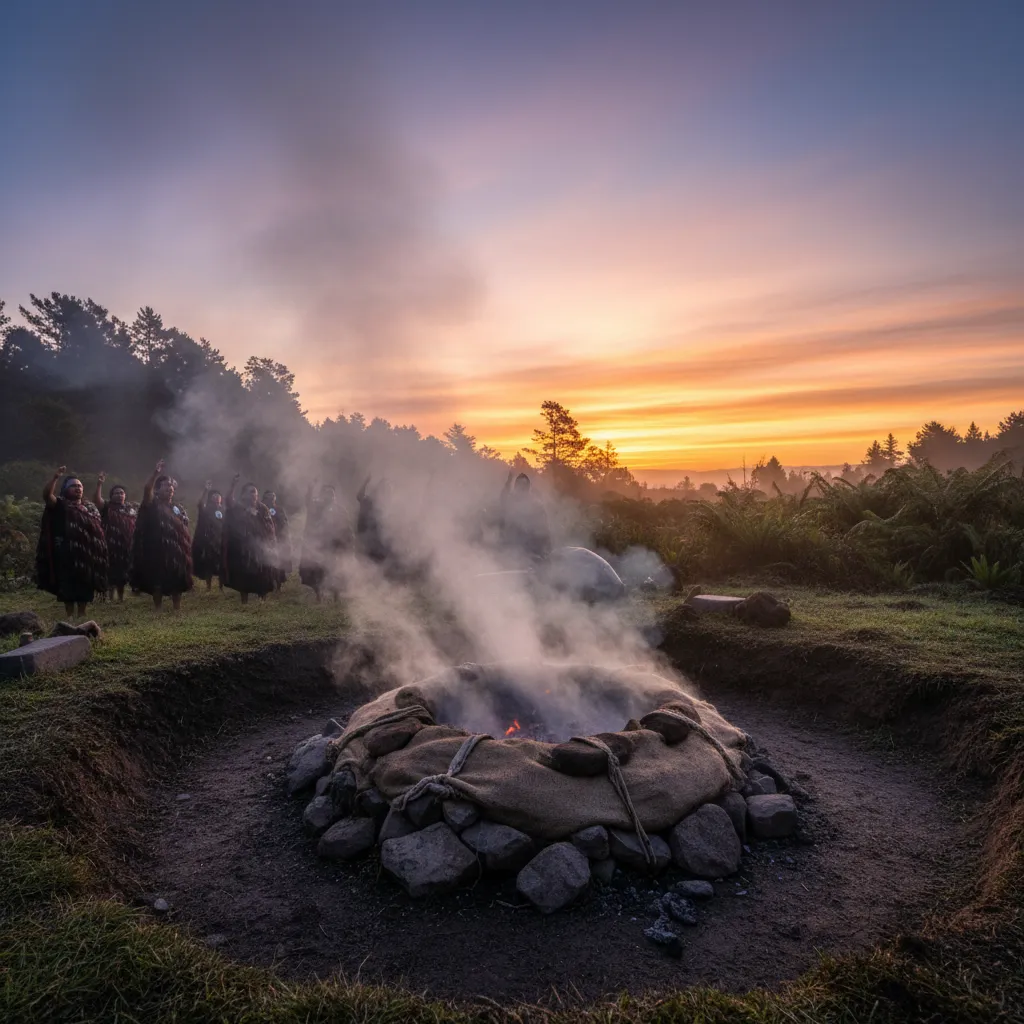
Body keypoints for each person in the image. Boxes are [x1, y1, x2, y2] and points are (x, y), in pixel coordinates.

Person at [36, 465, 108, 619]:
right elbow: (47, 496)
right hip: (66, 553)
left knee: (85, 584)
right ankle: (69, 616)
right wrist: (55, 477)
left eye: (80, 486)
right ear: (65, 489)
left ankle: (82, 614)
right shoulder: (60, 504)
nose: (78, 488)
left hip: (87, 554)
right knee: (68, 585)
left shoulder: (89, 508)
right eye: (74, 486)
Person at [131, 459, 192, 610]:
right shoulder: (152, 503)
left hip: (177, 549)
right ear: (157, 489)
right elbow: (147, 489)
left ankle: (176, 607)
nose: (169, 488)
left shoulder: (178, 508)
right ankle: (158, 608)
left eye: (171, 486)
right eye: (165, 486)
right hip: (156, 547)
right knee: (157, 579)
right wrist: (155, 474)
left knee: (177, 578)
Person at [222, 475, 277, 603]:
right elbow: (229, 501)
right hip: (243, 548)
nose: (254, 495)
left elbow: (270, 527)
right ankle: (244, 602)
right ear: (244, 495)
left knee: (263, 575)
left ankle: (262, 600)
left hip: (262, 547)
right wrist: (233, 485)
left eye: (255, 493)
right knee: (244, 576)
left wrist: (271, 542)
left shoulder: (263, 508)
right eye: (251, 492)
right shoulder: (238, 507)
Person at [299, 481, 351, 602]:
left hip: (334, 545)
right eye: (326, 494)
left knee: (336, 571)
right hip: (318, 544)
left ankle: (336, 596)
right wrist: (310, 488)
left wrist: (346, 543)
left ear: (335, 496)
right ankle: (319, 595)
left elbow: (346, 527)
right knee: (318, 572)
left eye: (331, 494)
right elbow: (308, 501)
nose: (329, 496)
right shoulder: (316, 507)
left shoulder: (340, 510)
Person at [93, 471, 137, 602]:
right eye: (116, 493)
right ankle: (110, 597)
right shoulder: (107, 507)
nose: (119, 495)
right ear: (111, 496)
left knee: (123, 572)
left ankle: (121, 597)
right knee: (110, 571)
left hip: (126, 546)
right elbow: (97, 501)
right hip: (109, 545)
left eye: (121, 493)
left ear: (125, 495)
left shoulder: (130, 508)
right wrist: (99, 484)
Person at [498, 471, 552, 564]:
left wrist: (545, 551)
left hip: (532, 551)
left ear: (528, 488)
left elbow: (544, 530)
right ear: (516, 487)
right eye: (519, 485)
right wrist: (508, 483)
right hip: (510, 549)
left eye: (524, 486)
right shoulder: (511, 502)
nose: (522, 488)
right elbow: (503, 500)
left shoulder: (536, 506)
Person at [192, 482, 225, 590]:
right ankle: (209, 586)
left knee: (222, 565)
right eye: (214, 496)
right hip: (209, 540)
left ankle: (221, 586)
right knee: (209, 565)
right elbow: (200, 504)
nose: (216, 497)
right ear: (210, 498)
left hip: (221, 540)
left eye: (218, 496)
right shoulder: (206, 509)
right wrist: (205, 490)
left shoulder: (223, 510)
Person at [355, 475, 391, 564]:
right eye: (382, 489)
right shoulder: (369, 501)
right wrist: (366, 482)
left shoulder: (388, 505)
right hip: (368, 538)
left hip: (381, 541)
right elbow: (359, 496)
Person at [262, 489, 290, 591]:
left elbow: (284, 523)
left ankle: (278, 585)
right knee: (267, 563)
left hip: (278, 539)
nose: (271, 499)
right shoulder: (260, 509)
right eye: (268, 497)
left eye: (272, 496)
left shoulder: (279, 509)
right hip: (265, 540)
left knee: (278, 563)